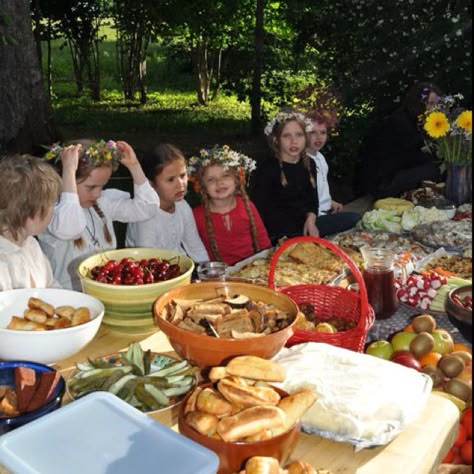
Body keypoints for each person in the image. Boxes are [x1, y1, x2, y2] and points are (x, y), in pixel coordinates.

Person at [38, 139, 160, 290]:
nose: (97, 193)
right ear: (66, 180)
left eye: (102, 186)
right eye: (91, 187)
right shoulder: (52, 212)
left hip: (105, 292)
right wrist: (68, 171)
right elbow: (70, 229)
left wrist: (134, 166)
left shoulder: (103, 202)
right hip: (69, 298)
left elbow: (149, 208)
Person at [353, 81, 443, 199]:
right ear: (418, 102)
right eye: (430, 103)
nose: (434, 108)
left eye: (436, 104)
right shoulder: (400, 122)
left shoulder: (416, 120)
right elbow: (418, 155)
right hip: (384, 182)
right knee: (436, 169)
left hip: (398, 173)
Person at [125, 143, 209, 264]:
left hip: (177, 266)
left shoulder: (182, 206)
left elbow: (195, 247)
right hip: (149, 273)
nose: (180, 184)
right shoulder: (146, 216)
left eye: (183, 175)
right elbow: (147, 261)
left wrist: (207, 271)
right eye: (171, 179)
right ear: (151, 184)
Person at [190, 144, 271, 266]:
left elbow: (263, 242)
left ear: (237, 179)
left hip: (250, 269)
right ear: (202, 187)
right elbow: (191, 250)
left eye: (225, 175)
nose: (219, 182)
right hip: (217, 275)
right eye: (211, 179)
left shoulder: (247, 206)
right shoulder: (196, 216)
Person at [251, 110, 319, 243]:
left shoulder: (309, 163)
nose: (294, 141)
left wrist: (311, 220)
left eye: (299, 135)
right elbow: (257, 210)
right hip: (279, 235)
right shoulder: (267, 168)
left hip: (305, 227)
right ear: (276, 140)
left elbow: (313, 201)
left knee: (350, 219)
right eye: (286, 136)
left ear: (305, 137)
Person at [0, 155, 62, 290]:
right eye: (52, 204)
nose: (54, 210)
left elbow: (52, 286)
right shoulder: (3, 262)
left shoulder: (31, 245)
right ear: (34, 212)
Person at [306, 111, 360, 236]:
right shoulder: (303, 162)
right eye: (313, 132)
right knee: (355, 218)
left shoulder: (320, 157)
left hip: (326, 211)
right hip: (314, 219)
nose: (319, 137)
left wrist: (330, 202)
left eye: (323, 133)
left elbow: (321, 189)